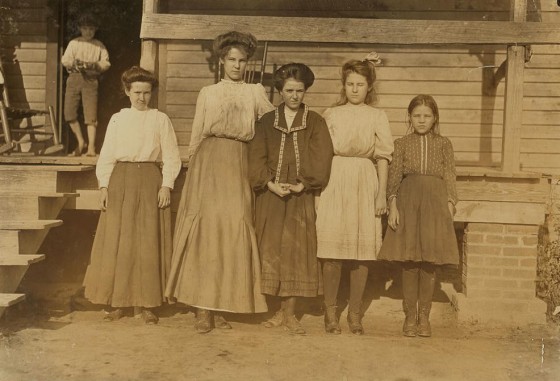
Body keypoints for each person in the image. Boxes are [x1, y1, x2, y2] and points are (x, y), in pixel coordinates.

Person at [165, 31, 274, 333]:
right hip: (208, 164)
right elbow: (198, 132)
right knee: (206, 232)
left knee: (234, 228)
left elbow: (273, 126)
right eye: (232, 60)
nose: (237, 65)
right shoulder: (208, 93)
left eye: (242, 61)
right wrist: (191, 169)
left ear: (247, 62)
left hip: (240, 161)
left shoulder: (255, 92)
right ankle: (203, 308)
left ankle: (224, 304)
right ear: (222, 61)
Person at [83, 66, 182, 324]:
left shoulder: (160, 119)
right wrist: (103, 185)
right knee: (121, 240)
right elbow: (106, 155)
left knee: (147, 241)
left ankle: (147, 303)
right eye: (137, 92)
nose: (141, 98)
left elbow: (171, 155)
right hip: (121, 181)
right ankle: (119, 302)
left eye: (146, 93)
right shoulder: (118, 119)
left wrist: (166, 185)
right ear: (127, 92)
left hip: (150, 179)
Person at [248, 63, 334, 335]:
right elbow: (255, 158)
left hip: (300, 197)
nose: (294, 96)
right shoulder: (265, 122)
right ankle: (274, 310)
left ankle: (291, 314)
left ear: (305, 90)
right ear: (279, 91)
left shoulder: (315, 122)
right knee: (270, 248)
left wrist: (302, 185)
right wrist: (270, 184)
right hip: (271, 196)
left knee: (296, 251)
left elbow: (322, 158)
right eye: (289, 90)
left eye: (299, 90)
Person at [316, 53, 394, 335]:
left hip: (364, 179)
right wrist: (319, 192)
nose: (355, 89)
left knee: (361, 253)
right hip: (335, 179)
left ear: (369, 86)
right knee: (332, 250)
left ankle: (356, 313)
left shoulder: (377, 116)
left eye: (360, 84)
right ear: (343, 85)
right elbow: (322, 155)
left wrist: (381, 195)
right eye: (350, 84)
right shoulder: (332, 114)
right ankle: (331, 312)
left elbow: (383, 157)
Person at [378, 94, 459, 338]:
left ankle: (424, 316)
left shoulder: (444, 144)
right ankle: (409, 317)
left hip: (435, 204)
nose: (421, 120)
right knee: (410, 260)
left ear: (435, 118)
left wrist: (450, 205)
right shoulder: (402, 143)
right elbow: (394, 178)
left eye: (427, 116)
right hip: (409, 202)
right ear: (410, 118)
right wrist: (393, 205)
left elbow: (450, 175)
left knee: (429, 261)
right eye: (416, 116)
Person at [61, 12, 110, 157]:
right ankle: (81, 141)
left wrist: (96, 65)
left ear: (95, 30)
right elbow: (65, 60)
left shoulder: (99, 45)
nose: (88, 32)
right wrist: (73, 63)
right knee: (69, 113)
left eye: (91, 29)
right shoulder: (74, 43)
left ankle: (91, 148)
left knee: (91, 115)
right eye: (85, 28)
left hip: (90, 81)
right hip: (74, 78)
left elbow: (106, 62)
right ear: (80, 29)